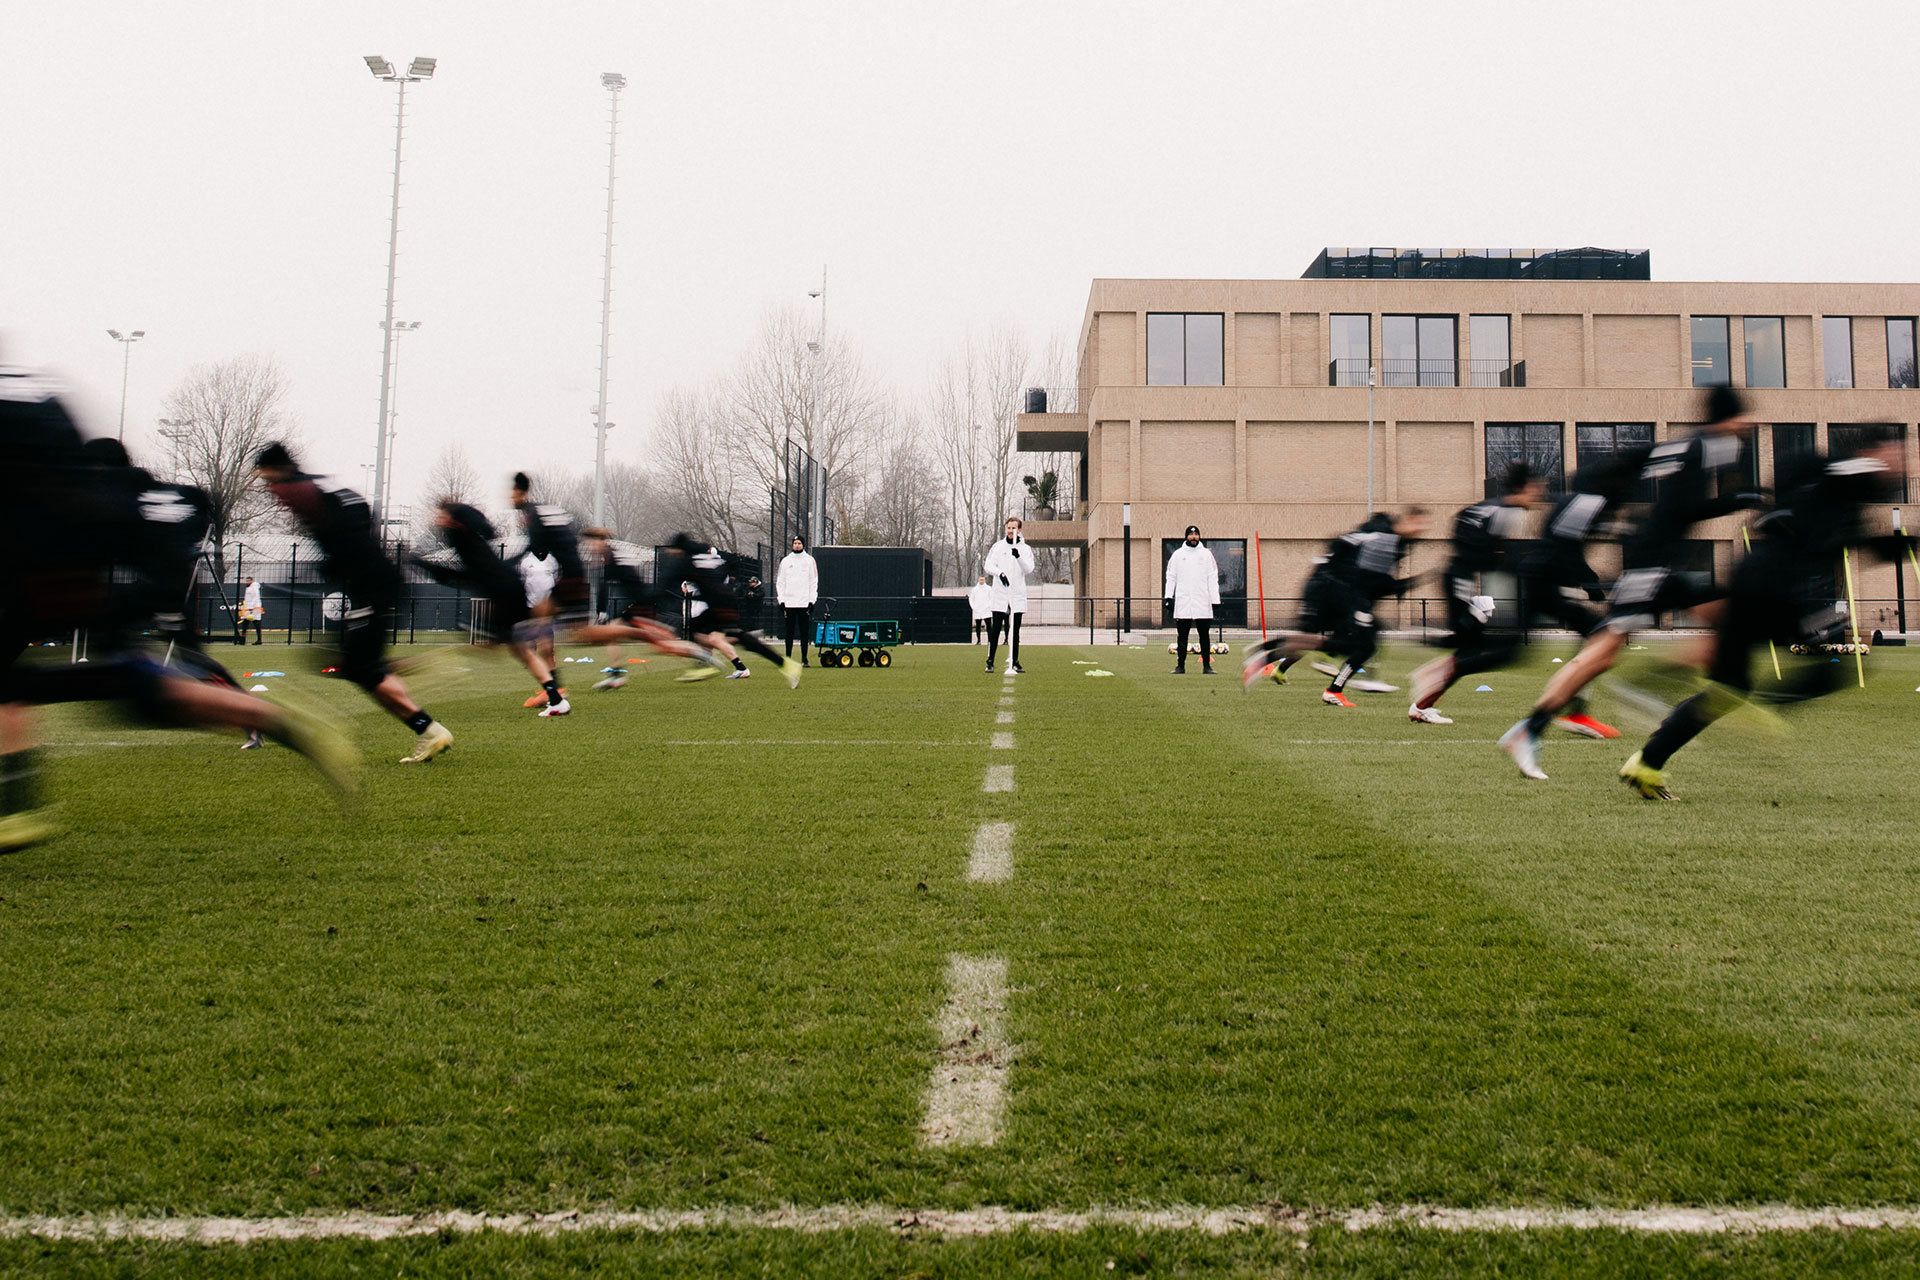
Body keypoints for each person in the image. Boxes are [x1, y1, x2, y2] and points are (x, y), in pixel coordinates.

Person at [1622, 427, 1912, 799]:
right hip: (1776, 588)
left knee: (1728, 688)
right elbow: (1822, 474)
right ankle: (1764, 706)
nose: (1902, 465)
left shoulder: (1844, 502)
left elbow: (1864, 545)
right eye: (1897, 455)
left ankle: (1646, 763)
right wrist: (1867, 467)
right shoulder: (1846, 472)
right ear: (1876, 451)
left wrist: (1903, 543)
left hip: (1762, 583)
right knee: (1839, 664)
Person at [1499, 385, 1763, 780]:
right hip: (1651, 563)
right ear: (1729, 420)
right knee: (1602, 653)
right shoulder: (1706, 446)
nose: (1747, 427)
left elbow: (1647, 469)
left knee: (1725, 619)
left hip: (1655, 560)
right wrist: (1742, 497)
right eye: (1744, 419)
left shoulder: (1694, 445)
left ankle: (1672, 686)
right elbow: (1682, 506)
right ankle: (1643, 688)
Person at [255, 443, 453, 763]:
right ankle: (403, 676)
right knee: (346, 663)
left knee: (354, 667)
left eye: (267, 480)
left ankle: (429, 728)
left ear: (278, 471)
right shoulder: (325, 485)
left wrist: (333, 563)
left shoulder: (299, 490)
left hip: (371, 586)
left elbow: (340, 532)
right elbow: (362, 511)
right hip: (379, 581)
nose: (272, 492)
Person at [1402, 462, 1615, 730]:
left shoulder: (1493, 507)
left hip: (1459, 576)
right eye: (1538, 488)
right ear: (1524, 487)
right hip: (1460, 579)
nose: (1540, 495)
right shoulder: (1507, 512)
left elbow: (1465, 527)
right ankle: (1430, 678)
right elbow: (1491, 553)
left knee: (1476, 645)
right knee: (1478, 646)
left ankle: (1426, 698)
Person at [1241, 508, 1428, 706]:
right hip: (1334, 591)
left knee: (1341, 642)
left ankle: (1268, 656)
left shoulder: (1378, 536)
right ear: (1407, 520)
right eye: (1419, 523)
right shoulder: (1385, 539)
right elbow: (1371, 579)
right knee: (1361, 642)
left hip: (1331, 589)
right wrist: (1404, 585)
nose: (1422, 529)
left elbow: (1354, 562)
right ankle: (1337, 687)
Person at [412, 500, 569, 716]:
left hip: (503, 591)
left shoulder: (462, 530)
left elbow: (480, 535)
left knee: (490, 646)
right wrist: (426, 566)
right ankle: (555, 697)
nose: (437, 520)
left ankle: (555, 695)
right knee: (518, 649)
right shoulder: (464, 538)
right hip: (507, 587)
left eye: (441, 516)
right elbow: (466, 571)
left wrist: (424, 564)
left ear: (452, 518)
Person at [656, 534, 802, 687]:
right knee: (704, 631)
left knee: (717, 635)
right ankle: (785, 665)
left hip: (719, 604)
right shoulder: (707, 556)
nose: (671, 553)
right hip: (723, 601)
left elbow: (667, 583)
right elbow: (727, 567)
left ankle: (710, 665)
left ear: (679, 549)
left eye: (673, 550)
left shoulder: (686, 561)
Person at [1163, 524, 1221, 674]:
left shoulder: (1207, 555)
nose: (1193, 537)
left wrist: (1215, 599)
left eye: (1196, 535)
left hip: (1202, 601)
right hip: (1184, 602)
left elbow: (1213, 577)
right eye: (1191, 535)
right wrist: (1168, 596)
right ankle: (1180, 666)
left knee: (1204, 636)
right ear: (1186, 536)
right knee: (1182, 636)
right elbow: (1171, 577)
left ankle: (1207, 666)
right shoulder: (1177, 555)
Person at [983, 516, 1035, 674]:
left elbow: (1029, 569)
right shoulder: (998, 547)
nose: (1011, 531)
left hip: (1017, 594)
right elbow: (988, 565)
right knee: (996, 628)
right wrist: (1000, 574)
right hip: (1000, 593)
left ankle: (1015, 660)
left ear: (1019, 530)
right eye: (1009, 528)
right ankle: (990, 660)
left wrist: (1018, 556)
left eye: (1014, 528)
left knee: (1015, 629)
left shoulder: (1025, 549)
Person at [776, 534, 819, 666]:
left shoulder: (810, 560)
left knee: (804, 632)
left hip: (804, 602)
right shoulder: (786, 561)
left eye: (799, 543)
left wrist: (812, 600)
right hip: (789, 602)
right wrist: (781, 600)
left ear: (803, 545)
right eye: (795, 543)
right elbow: (780, 582)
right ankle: (788, 658)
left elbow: (813, 581)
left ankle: (804, 659)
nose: (797, 545)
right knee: (789, 632)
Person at [239, 576, 265, 644]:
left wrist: (252, 607)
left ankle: (259, 640)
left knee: (256, 623)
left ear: (252, 581)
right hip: (248, 607)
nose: (247, 582)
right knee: (245, 623)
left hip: (255, 607)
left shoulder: (254, 586)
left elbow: (256, 596)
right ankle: (242, 640)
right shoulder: (248, 588)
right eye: (246, 581)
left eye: (249, 581)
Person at [968, 575, 992, 644]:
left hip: (987, 610)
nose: (981, 581)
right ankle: (978, 640)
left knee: (989, 626)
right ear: (978, 580)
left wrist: (988, 606)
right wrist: (974, 607)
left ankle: (990, 640)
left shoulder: (989, 589)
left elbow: (991, 598)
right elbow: (971, 599)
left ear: (985, 580)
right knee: (978, 626)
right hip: (977, 610)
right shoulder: (974, 589)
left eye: (983, 580)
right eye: (980, 580)